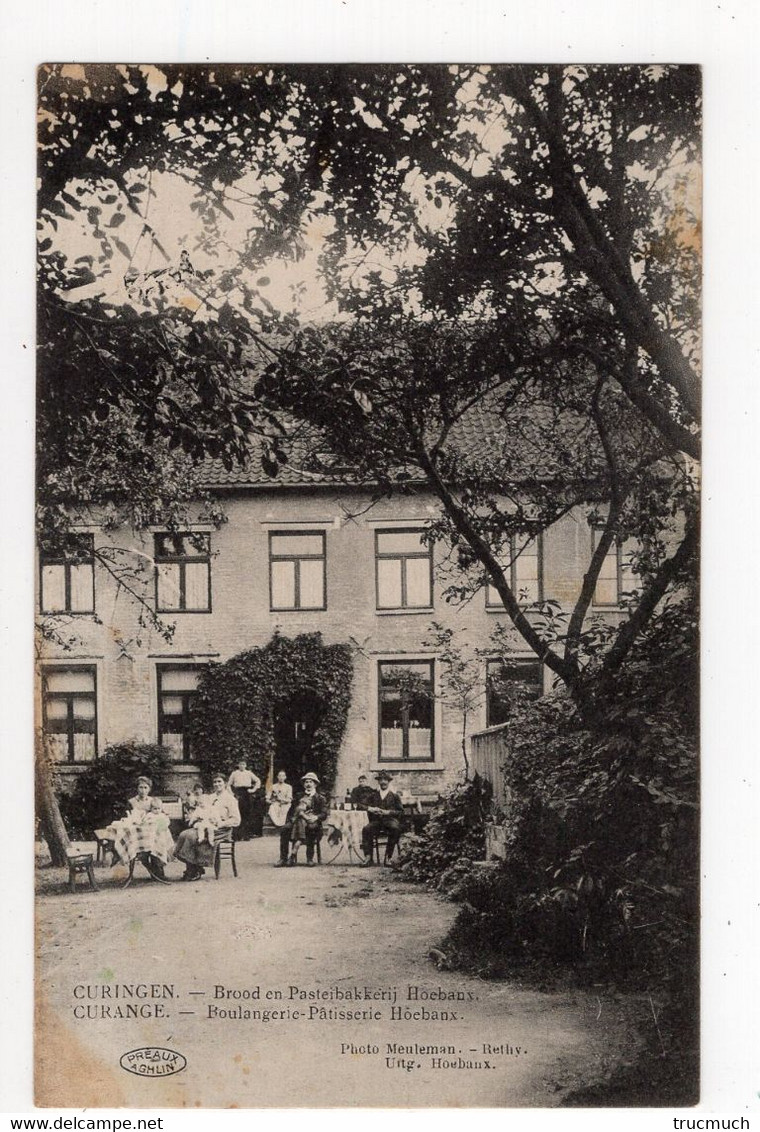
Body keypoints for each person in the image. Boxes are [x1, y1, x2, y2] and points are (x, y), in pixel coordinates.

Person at [175, 773, 240, 880]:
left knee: (191, 836)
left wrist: (221, 823)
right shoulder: (209, 797)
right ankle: (193, 867)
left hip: (221, 829)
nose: (217, 784)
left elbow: (236, 820)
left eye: (219, 781)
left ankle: (194, 870)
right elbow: (201, 809)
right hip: (205, 825)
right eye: (215, 782)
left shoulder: (230, 799)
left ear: (225, 783)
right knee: (184, 834)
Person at [111, 776, 172, 879]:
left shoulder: (154, 801)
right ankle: (151, 870)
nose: (143, 790)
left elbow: (163, 815)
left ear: (149, 789)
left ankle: (158, 871)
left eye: (145, 787)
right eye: (140, 787)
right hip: (138, 833)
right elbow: (128, 817)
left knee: (158, 841)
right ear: (137, 788)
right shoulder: (131, 802)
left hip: (152, 831)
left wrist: (161, 823)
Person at [275, 772, 327, 867]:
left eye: (310, 782)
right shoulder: (299, 796)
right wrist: (291, 819)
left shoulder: (320, 798)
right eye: (306, 782)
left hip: (312, 822)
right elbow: (291, 811)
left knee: (311, 828)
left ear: (315, 784)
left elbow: (324, 813)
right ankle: (283, 858)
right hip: (297, 820)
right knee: (284, 829)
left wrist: (316, 817)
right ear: (304, 785)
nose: (308, 784)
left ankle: (309, 858)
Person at [360, 771, 404, 866]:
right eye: (381, 780)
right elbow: (360, 805)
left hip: (390, 821)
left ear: (389, 782)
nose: (383, 782)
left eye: (385, 780)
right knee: (366, 829)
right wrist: (370, 809)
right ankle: (368, 857)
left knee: (395, 829)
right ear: (378, 782)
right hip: (377, 821)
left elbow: (400, 812)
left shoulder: (394, 796)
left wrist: (388, 812)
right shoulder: (373, 795)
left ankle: (388, 857)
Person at [227, 759, 261, 840]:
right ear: (238, 765)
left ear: (245, 765)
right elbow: (228, 785)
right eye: (240, 764)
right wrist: (232, 794)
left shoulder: (249, 773)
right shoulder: (234, 773)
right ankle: (237, 836)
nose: (242, 766)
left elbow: (258, 781)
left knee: (247, 814)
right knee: (237, 812)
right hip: (238, 793)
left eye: (243, 764)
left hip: (246, 793)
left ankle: (246, 835)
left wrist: (253, 790)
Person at [183, 782, 214, 846]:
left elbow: (211, 806)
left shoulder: (206, 797)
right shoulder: (193, 797)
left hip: (207, 818)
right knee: (200, 826)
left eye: (200, 789)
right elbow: (191, 808)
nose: (198, 791)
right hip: (198, 816)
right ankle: (200, 838)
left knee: (210, 828)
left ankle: (211, 840)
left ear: (202, 789)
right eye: (196, 789)